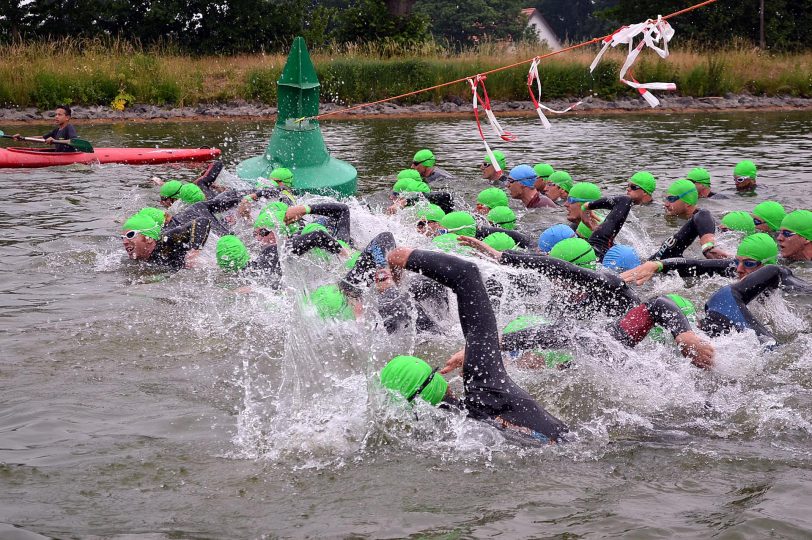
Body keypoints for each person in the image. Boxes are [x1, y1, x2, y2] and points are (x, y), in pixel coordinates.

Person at [381, 247, 569, 443]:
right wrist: (403, 257)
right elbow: (465, 274)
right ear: (438, 380)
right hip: (570, 450)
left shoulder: (452, 438)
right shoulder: (487, 388)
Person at [456, 235, 714, 368]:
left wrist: (685, 335)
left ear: (580, 273)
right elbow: (562, 335)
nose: (556, 286)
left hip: (652, 338)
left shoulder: (608, 285)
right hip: (614, 345)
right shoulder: (561, 303)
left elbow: (659, 304)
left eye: (560, 280)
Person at [623, 233, 779, 285]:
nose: (738, 269)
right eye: (737, 261)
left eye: (749, 264)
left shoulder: (783, 280)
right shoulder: (733, 269)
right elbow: (698, 265)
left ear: (768, 264)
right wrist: (657, 265)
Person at [649, 179, 728, 260]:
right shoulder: (666, 215)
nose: (666, 204)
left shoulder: (703, 217)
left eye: (671, 199)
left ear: (688, 202)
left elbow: (703, 214)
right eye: (666, 199)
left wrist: (708, 248)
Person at [120, 211, 210, 270]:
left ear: (149, 238)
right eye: (123, 237)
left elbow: (202, 221)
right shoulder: (134, 260)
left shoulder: (168, 239)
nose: (125, 242)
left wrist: (194, 252)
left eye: (130, 235)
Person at [566, 185, 633, 261]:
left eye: (570, 200)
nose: (566, 204)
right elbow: (624, 200)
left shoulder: (570, 255)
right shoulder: (605, 252)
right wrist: (586, 206)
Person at [13, 105, 78, 152]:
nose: (56, 117)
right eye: (56, 114)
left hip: (68, 157)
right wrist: (23, 138)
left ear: (67, 117)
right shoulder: (56, 130)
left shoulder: (69, 128)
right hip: (58, 155)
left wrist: (55, 141)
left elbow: (74, 141)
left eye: (59, 115)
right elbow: (41, 138)